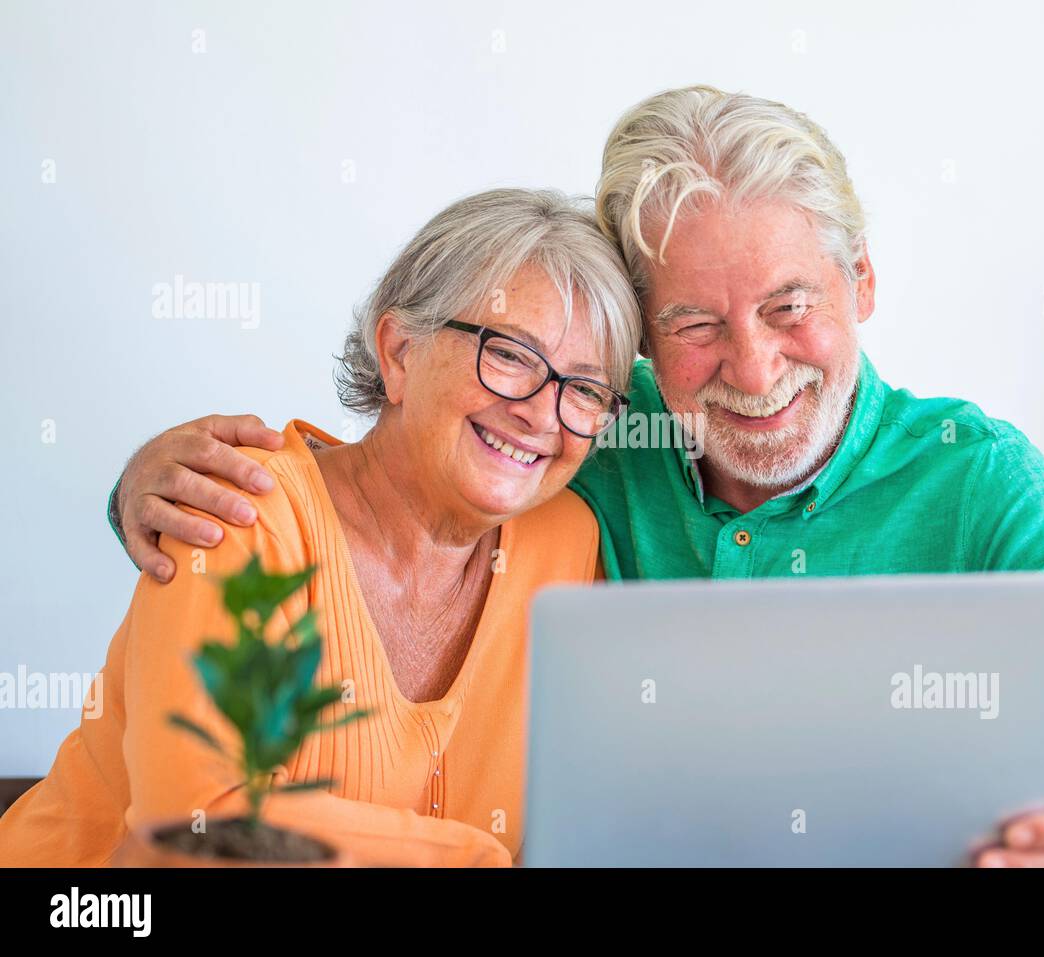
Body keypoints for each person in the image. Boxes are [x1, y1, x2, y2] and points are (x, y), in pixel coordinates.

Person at [100, 87, 1044, 867]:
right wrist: (142, 484)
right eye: (696, 321)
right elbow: (412, 455)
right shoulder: (580, 434)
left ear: (862, 283)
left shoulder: (979, 481)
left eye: (790, 306)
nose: (752, 368)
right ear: (645, 342)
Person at [0, 189, 640, 866]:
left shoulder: (566, 542)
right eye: (510, 354)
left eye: (586, 389)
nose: (543, 414)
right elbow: (196, 820)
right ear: (399, 353)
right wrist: (474, 858)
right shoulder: (245, 513)